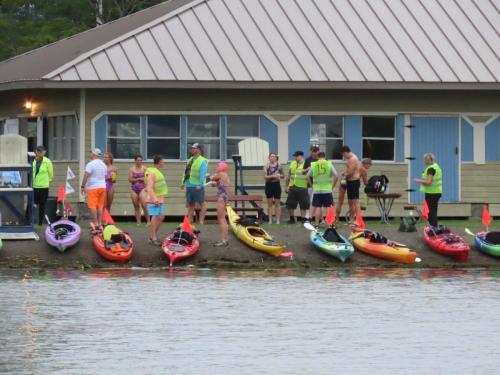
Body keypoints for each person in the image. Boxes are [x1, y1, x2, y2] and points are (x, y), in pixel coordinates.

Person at [306, 151, 338, 226]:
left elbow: (307, 176)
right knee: (329, 207)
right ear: (324, 156)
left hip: (317, 190)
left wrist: (311, 185)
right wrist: (333, 186)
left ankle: (316, 225)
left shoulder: (314, 164)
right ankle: (330, 224)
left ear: (317, 157)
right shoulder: (329, 163)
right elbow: (336, 176)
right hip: (327, 189)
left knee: (317, 206)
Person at [182, 143, 208, 224]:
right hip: (189, 185)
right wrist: (183, 182)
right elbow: (186, 172)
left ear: (198, 149)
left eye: (193, 148)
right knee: (191, 204)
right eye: (191, 148)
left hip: (197, 186)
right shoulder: (189, 159)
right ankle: (188, 221)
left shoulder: (203, 160)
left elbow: (203, 174)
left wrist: (200, 184)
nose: (192, 150)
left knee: (202, 203)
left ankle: (201, 221)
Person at [81, 148, 107, 230]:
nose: (90, 154)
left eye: (91, 153)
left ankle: (95, 224)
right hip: (103, 187)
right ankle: (99, 224)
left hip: (93, 187)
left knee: (92, 206)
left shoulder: (90, 164)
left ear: (94, 154)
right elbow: (105, 176)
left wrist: (82, 186)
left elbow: (86, 175)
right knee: (100, 206)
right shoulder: (103, 164)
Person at [414, 153, 442, 227]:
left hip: (432, 193)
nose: (424, 161)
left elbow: (428, 182)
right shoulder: (436, 166)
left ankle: (433, 228)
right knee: (433, 211)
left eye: (425, 159)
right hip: (436, 192)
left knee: (431, 212)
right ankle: (434, 227)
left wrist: (418, 180)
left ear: (429, 160)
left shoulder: (431, 169)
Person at [146, 155, 168, 246]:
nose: (164, 163)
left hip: (159, 199)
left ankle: (152, 236)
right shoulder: (152, 173)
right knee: (155, 217)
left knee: (161, 217)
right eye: (163, 161)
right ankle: (154, 238)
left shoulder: (157, 172)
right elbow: (149, 188)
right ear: (158, 162)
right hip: (153, 199)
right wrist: (154, 199)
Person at [208, 162, 230, 247]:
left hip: (221, 197)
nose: (216, 167)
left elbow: (211, 178)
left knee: (221, 219)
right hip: (224, 197)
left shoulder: (220, 174)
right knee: (223, 219)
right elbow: (215, 184)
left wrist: (210, 176)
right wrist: (214, 182)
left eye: (217, 166)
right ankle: (224, 239)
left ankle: (224, 240)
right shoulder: (225, 175)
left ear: (221, 167)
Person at [285, 150, 309, 224]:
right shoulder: (293, 163)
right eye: (295, 156)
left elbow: (310, 173)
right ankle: (291, 219)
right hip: (292, 187)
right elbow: (289, 175)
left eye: (296, 156)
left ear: (301, 156)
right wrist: (287, 186)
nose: (295, 157)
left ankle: (303, 219)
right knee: (290, 204)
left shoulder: (306, 164)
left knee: (303, 205)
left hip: (302, 187)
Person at [32, 145, 53, 225]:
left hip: (43, 186)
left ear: (44, 152)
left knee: (42, 205)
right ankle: (29, 221)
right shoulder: (33, 161)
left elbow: (51, 174)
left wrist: (47, 182)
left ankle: (40, 222)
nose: (39, 153)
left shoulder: (47, 161)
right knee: (31, 204)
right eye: (38, 151)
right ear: (36, 152)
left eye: (41, 151)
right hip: (34, 186)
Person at [340, 145, 361, 224]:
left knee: (356, 201)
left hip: (354, 181)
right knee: (350, 201)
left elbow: (351, 172)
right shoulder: (351, 159)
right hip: (350, 181)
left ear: (345, 152)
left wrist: (344, 177)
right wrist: (345, 173)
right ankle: (351, 219)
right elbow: (349, 171)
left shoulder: (353, 159)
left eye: (343, 155)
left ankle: (358, 220)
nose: (344, 157)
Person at [128, 154, 149, 226]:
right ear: (135, 161)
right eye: (138, 160)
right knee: (136, 205)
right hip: (134, 188)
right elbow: (130, 179)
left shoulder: (145, 168)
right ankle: (138, 222)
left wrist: (147, 187)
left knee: (144, 205)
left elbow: (148, 179)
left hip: (142, 188)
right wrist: (138, 179)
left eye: (140, 160)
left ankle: (148, 221)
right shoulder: (132, 169)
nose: (139, 161)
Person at [263, 152, 284, 224]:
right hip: (269, 185)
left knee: (277, 204)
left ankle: (278, 220)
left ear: (276, 158)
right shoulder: (266, 166)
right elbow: (265, 177)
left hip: (277, 185)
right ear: (269, 158)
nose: (272, 158)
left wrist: (279, 176)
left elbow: (283, 176)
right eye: (271, 156)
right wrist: (273, 176)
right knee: (269, 204)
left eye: (274, 156)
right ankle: (270, 220)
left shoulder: (279, 165)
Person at [302, 144, 320, 220]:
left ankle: (315, 217)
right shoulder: (308, 159)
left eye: (316, 150)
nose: (315, 152)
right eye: (313, 151)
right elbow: (302, 172)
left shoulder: (321, 159)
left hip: (319, 184)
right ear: (311, 151)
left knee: (315, 201)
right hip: (309, 183)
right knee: (309, 200)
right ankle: (309, 216)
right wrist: (308, 169)